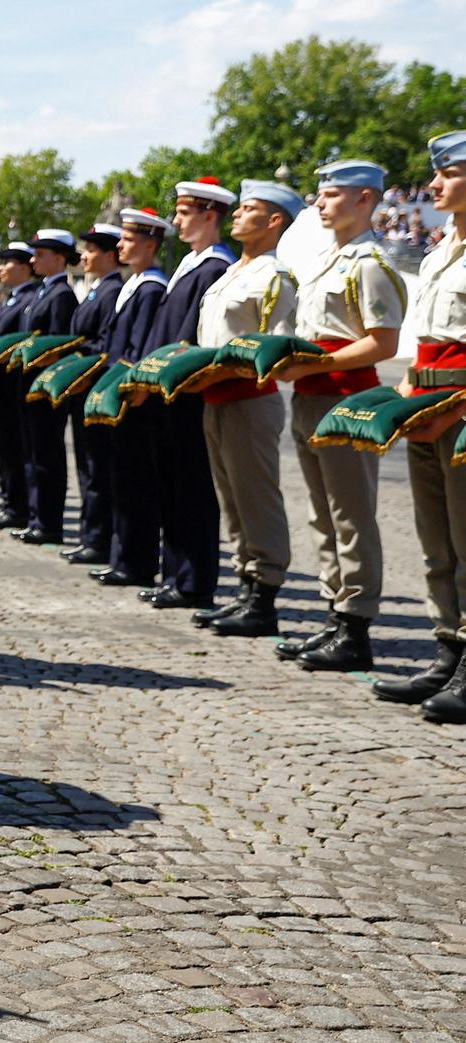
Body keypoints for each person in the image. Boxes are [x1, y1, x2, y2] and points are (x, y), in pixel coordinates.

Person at [271, 161, 405, 671]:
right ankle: (335, 614)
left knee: (351, 516)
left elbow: (382, 343)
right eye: (320, 195)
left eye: (331, 195)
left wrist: (321, 361)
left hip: (345, 401)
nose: (320, 204)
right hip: (310, 396)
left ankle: (355, 623)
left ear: (366, 199)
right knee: (322, 515)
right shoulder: (329, 259)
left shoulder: (369, 261)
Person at [190, 180, 301, 638]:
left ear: (274, 221)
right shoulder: (232, 273)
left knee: (257, 499)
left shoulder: (275, 276)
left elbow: (276, 347)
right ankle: (244, 588)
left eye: (249, 209)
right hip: (215, 399)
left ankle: (265, 595)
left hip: (249, 401)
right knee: (232, 503)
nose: (237, 214)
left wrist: (216, 373)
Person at [132, 178, 235, 610]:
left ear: (209, 215)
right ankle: (175, 573)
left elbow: (184, 337)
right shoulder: (192, 263)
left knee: (191, 490)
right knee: (172, 488)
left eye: (184, 212)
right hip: (166, 393)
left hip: (186, 393)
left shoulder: (213, 266)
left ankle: (193, 581)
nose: (176, 220)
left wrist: (163, 378)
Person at [393, 131, 466, 720]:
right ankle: (448, 649)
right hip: (424, 406)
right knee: (436, 540)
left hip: (462, 410)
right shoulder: (440, 250)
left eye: (449, 174)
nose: (434, 185)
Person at [90, 207, 170, 587]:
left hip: (134, 397)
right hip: (117, 392)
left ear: (150, 244)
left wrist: (123, 385)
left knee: (136, 482)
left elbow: (138, 350)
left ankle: (136, 562)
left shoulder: (151, 288)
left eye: (128, 239)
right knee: (120, 478)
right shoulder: (133, 284)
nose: (120, 245)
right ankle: (123, 556)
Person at [58, 224, 126, 565]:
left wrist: (81, 369)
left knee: (99, 467)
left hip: (93, 386)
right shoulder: (98, 289)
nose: (84, 256)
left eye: (92, 251)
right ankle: (92, 535)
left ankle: (99, 539)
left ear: (110, 255)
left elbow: (103, 346)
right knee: (87, 465)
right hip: (80, 387)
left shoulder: (113, 291)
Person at [11, 228, 81, 546]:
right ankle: (37, 516)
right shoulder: (43, 291)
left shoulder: (62, 294)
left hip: (46, 384)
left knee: (47, 455)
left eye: (40, 254)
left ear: (59, 258)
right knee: (31, 452)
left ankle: (49, 522)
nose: (33, 259)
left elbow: (60, 342)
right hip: (30, 382)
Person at [0, 242, 38, 529]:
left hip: (14, 383)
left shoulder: (30, 298)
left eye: (8, 263)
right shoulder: (12, 298)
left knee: (16, 449)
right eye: (0, 263)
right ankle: (11, 503)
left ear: (26, 267)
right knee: (4, 447)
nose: (1, 268)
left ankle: (20, 506)